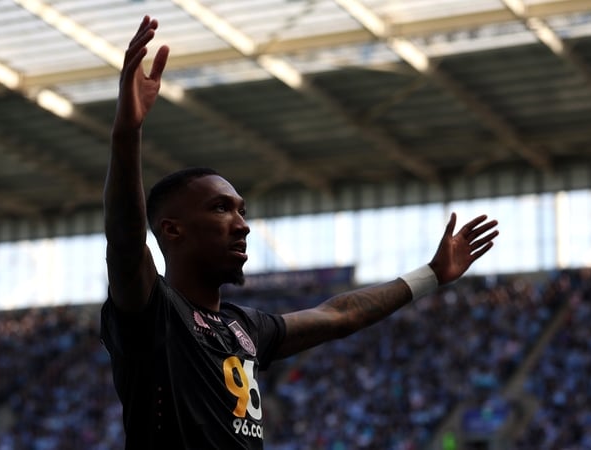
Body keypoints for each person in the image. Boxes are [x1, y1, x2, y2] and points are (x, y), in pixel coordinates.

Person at [100, 16, 500, 450]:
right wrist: (127, 132)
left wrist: (431, 274)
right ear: (171, 230)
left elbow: (339, 315)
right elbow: (124, 238)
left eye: (242, 210)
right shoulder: (150, 310)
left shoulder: (243, 328)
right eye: (220, 209)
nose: (242, 224)